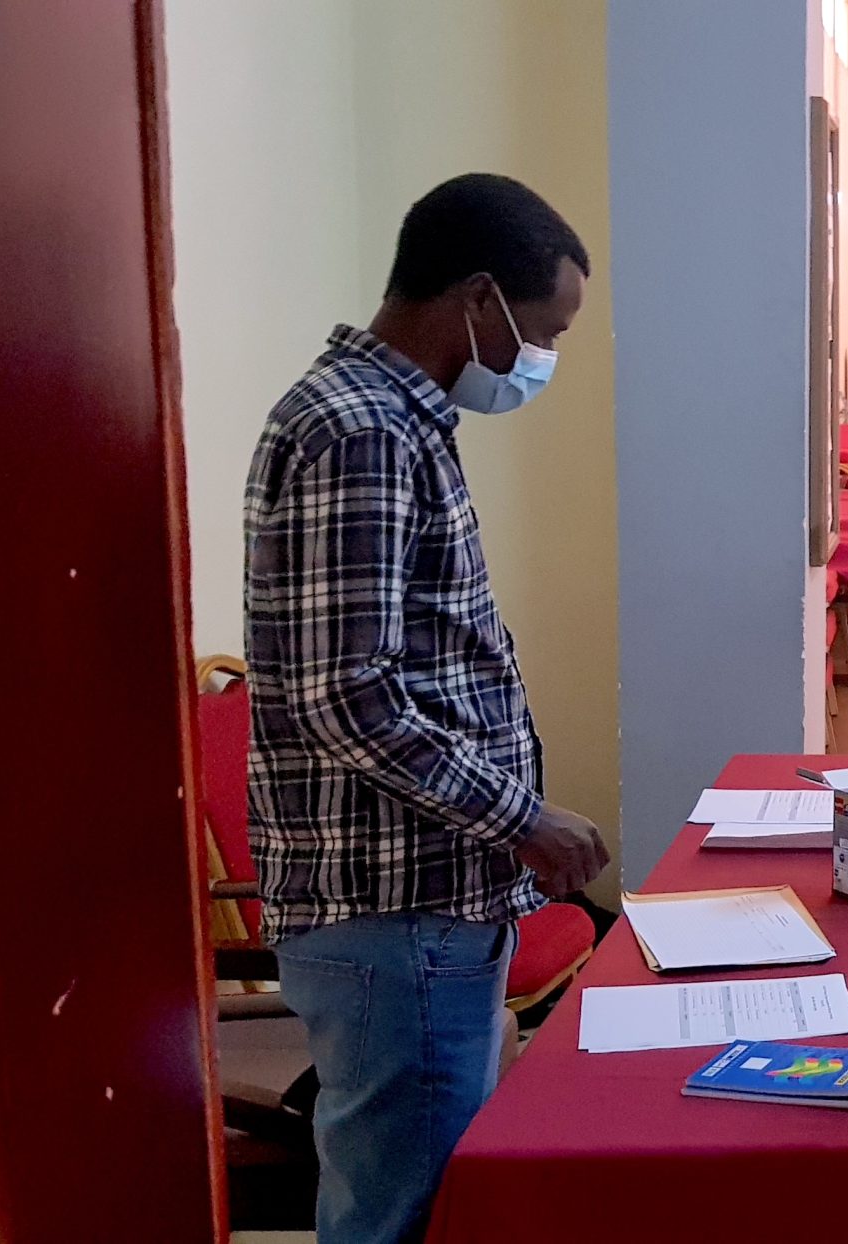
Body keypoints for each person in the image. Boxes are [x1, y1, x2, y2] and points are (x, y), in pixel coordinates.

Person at [244, 172, 608, 1244]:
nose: (542, 359)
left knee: (436, 1192)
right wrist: (522, 817)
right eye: (544, 331)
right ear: (479, 299)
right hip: (391, 911)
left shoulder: (391, 418)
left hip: (425, 895)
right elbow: (348, 695)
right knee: (406, 1209)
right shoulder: (361, 430)